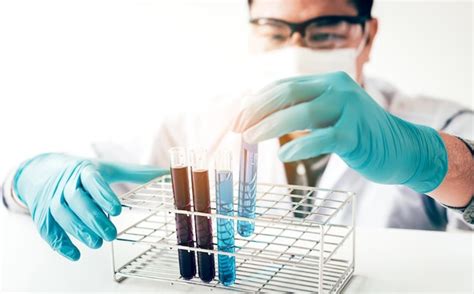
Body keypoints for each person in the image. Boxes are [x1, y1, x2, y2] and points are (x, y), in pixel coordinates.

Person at [2, 0, 473, 262]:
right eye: (272, 30)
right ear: (251, 32)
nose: (296, 48)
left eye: (325, 31)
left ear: (367, 36)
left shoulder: (434, 122)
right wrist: (33, 173)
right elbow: (34, 178)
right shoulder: (201, 125)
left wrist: (427, 157)